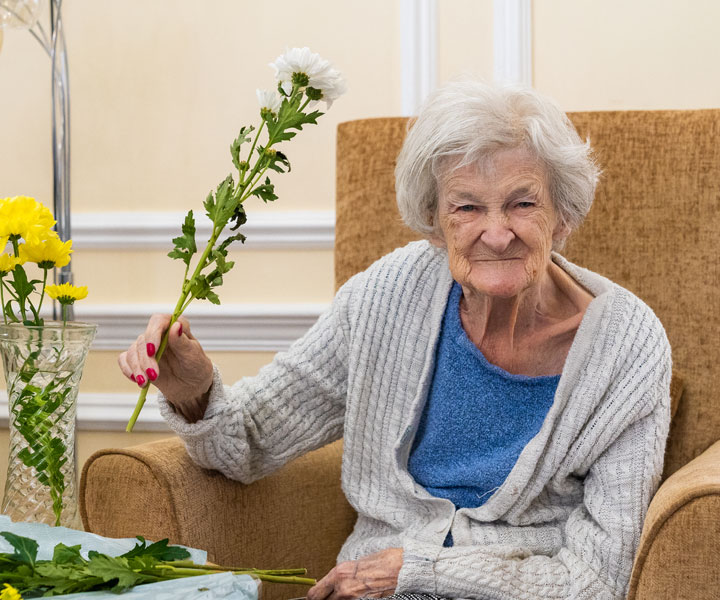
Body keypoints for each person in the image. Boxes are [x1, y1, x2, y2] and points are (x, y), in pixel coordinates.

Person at [119, 81, 671, 600]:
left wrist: (420, 569)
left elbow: (600, 580)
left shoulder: (628, 345)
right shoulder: (386, 297)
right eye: (467, 207)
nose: (497, 232)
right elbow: (249, 443)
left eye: (523, 204)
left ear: (564, 214)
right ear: (433, 221)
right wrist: (193, 392)